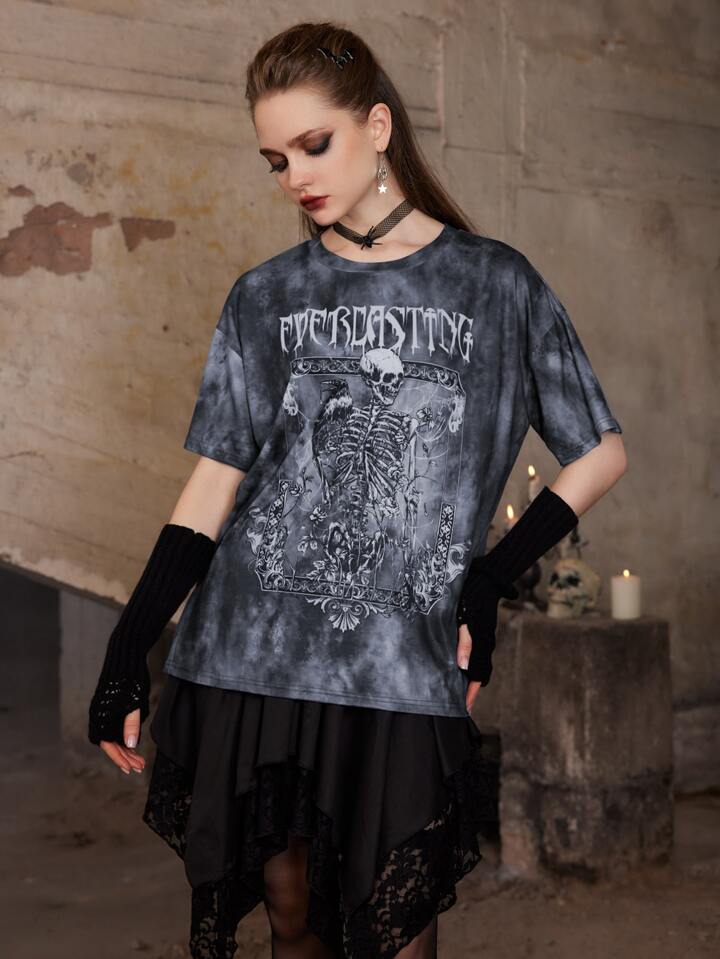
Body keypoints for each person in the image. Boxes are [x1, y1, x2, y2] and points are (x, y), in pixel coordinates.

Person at [87, 20, 627, 959]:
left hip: (400, 663)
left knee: (394, 930)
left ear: (377, 127)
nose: (295, 176)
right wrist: (129, 644)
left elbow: (601, 450)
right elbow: (214, 482)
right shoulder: (266, 296)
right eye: (275, 159)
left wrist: (490, 576)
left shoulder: (495, 284)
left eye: (314, 144)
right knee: (293, 923)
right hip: (256, 654)